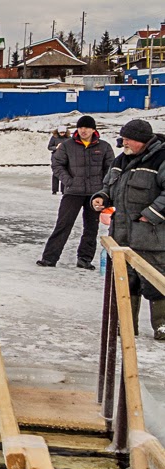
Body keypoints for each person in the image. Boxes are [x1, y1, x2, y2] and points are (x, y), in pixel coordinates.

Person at [92, 119, 165, 340]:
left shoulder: (161, 159)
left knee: (155, 279)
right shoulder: (121, 160)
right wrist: (101, 197)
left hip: (151, 235)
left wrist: (151, 214)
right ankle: (126, 323)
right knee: (126, 280)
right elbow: (109, 187)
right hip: (121, 234)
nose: (123, 143)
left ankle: (162, 325)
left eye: (128, 139)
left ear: (142, 141)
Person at [37, 115, 114, 269]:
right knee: (63, 224)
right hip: (73, 192)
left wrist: (103, 187)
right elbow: (57, 165)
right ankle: (49, 258)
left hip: (95, 194)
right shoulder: (67, 145)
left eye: (86, 127)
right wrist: (69, 181)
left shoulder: (104, 147)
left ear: (93, 129)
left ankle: (84, 259)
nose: (83, 130)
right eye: (80, 127)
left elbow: (110, 168)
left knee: (91, 227)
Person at [47, 125, 70, 194]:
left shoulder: (68, 138)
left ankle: (63, 190)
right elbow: (49, 147)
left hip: (65, 157)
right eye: (61, 133)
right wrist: (56, 147)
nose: (62, 134)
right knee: (56, 173)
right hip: (56, 157)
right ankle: (54, 190)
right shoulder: (54, 138)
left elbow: (71, 147)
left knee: (64, 173)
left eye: (63, 132)